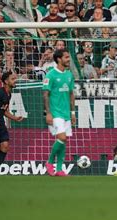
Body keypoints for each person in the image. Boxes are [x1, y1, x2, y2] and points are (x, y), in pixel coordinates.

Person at [43, 49, 76, 177]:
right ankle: (50, 162)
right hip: (55, 113)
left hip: (66, 113)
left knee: (64, 141)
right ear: (58, 59)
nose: (69, 59)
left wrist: (73, 112)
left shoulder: (69, 75)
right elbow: (46, 95)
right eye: (66, 57)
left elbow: (71, 94)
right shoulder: (50, 75)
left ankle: (60, 168)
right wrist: (48, 113)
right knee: (62, 138)